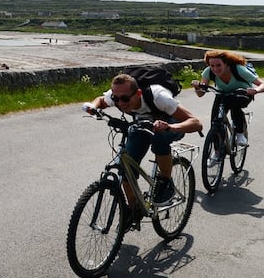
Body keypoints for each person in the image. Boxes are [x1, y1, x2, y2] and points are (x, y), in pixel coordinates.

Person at [81, 73, 203, 211]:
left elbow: (196, 123)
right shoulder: (119, 94)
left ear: (138, 93)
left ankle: (165, 181)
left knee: (159, 139)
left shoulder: (158, 96)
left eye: (125, 99)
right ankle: (134, 209)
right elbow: (102, 100)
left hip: (171, 121)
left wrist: (169, 127)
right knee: (126, 167)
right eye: (116, 99)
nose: (120, 103)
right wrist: (93, 106)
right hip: (144, 123)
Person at [191, 50, 264, 147]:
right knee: (215, 120)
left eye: (218, 65)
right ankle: (216, 151)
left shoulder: (238, 69)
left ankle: (240, 134)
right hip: (223, 94)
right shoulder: (208, 72)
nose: (215, 69)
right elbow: (200, 94)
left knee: (234, 103)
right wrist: (197, 87)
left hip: (243, 93)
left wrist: (256, 90)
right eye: (212, 66)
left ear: (226, 64)